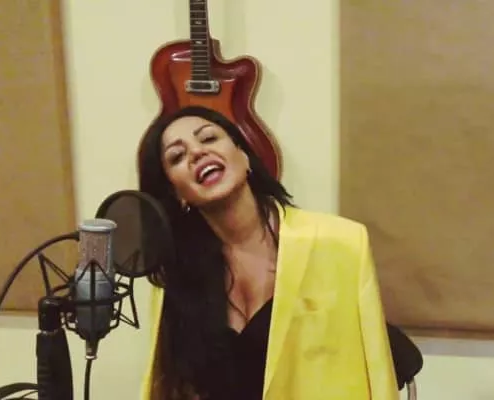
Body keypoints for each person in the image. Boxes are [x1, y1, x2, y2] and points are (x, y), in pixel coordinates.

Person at [137, 105, 398, 399]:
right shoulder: (175, 275)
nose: (197, 153)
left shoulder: (342, 242)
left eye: (208, 138)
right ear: (176, 193)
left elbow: (377, 372)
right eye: (177, 156)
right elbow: (170, 387)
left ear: (244, 155)